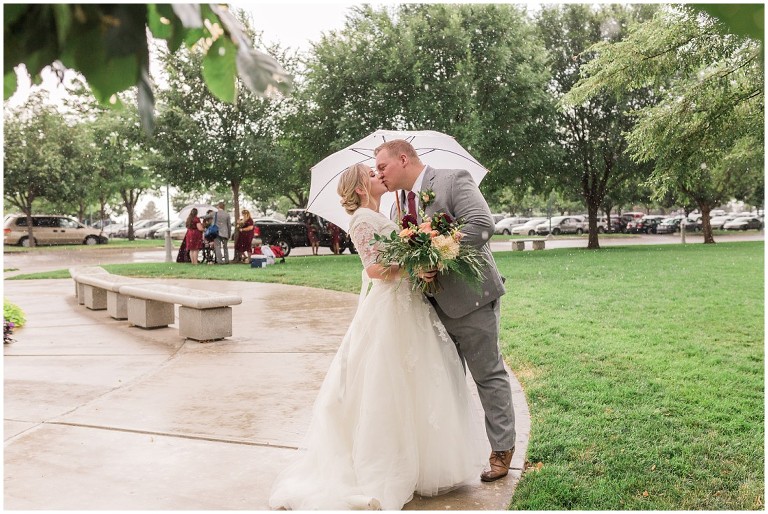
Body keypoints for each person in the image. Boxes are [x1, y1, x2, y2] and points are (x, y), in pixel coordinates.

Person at [269, 164, 485, 511]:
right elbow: (374, 269)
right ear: (358, 189)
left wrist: (419, 249)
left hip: (408, 304)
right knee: (388, 383)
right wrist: (414, 263)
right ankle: (389, 463)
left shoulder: (382, 213)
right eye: (371, 174)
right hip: (389, 309)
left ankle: (420, 462)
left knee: (418, 381)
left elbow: (394, 256)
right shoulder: (361, 221)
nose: (378, 176)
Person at [375, 139, 516, 483]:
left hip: (471, 300)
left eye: (382, 167)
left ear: (403, 159)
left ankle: (502, 449)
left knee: (487, 374)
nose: (379, 175)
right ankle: (451, 456)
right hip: (427, 311)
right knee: (445, 383)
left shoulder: (453, 179)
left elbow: (482, 225)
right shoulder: (395, 209)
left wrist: (434, 252)